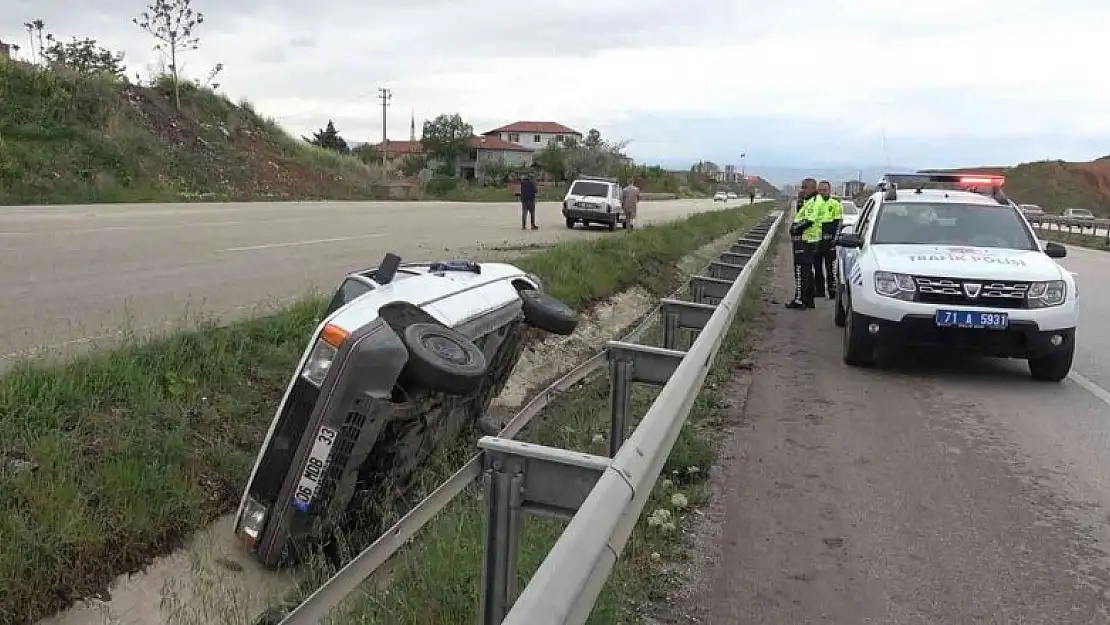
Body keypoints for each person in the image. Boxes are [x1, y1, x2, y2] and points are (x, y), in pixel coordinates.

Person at [786, 178, 821, 309]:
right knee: (807, 271)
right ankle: (809, 300)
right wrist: (800, 200)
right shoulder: (809, 201)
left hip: (806, 240)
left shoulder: (814, 202)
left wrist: (795, 229)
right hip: (807, 240)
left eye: (805, 187)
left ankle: (800, 299)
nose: (802, 190)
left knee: (800, 270)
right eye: (801, 187)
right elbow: (800, 214)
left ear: (813, 188)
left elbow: (809, 220)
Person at [811, 180, 841, 298]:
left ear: (829, 190)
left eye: (824, 190)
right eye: (820, 190)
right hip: (816, 241)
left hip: (829, 242)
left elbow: (838, 223)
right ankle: (820, 291)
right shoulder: (813, 204)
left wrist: (835, 238)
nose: (822, 192)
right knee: (817, 267)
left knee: (830, 268)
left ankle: (832, 290)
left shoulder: (835, 204)